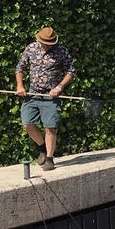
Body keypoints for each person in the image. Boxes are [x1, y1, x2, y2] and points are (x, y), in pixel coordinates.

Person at [16, 27, 75, 171]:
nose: (47, 45)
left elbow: (71, 72)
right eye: (45, 42)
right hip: (32, 94)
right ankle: (42, 147)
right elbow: (20, 68)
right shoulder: (31, 48)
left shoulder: (61, 51)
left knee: (50, 127)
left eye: (49, 43)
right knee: (27, 124)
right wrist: (20, 86)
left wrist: (59, 88)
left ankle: (49, 158)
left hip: (50, 96)